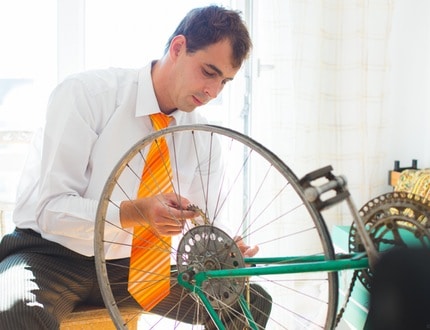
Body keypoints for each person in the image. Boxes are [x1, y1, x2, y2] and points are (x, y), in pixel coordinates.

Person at [0, 5, 272, 329]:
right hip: (50, 256)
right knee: (13, 309)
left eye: (225, 82)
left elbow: (201, 224)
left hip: (135, 268)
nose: (212, 91)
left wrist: (223, 249)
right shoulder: (86, 95)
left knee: (248, 300)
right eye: (208, 72)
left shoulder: (203, 138)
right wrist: (134, 213)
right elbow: (50, 209)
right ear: (178, 48)